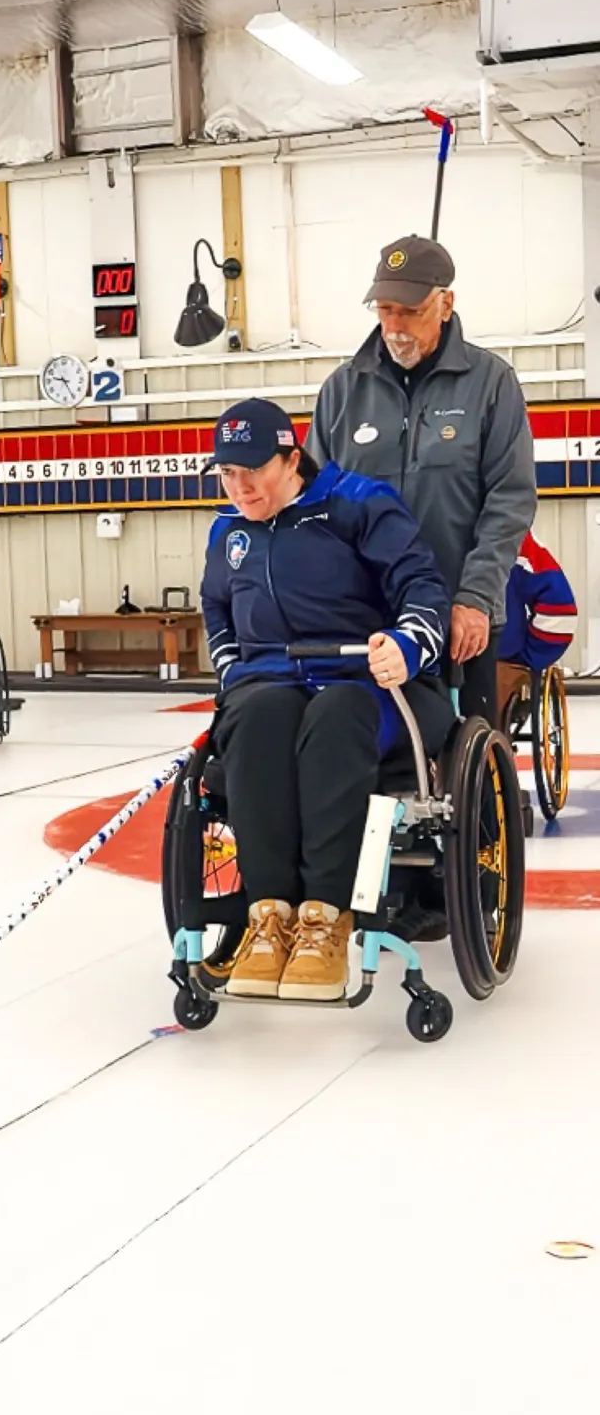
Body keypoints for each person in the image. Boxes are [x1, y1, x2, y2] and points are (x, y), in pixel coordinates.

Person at [200, 398, 453, 1003]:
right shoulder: (227, 531)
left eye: (253, 471)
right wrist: (234, 668)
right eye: (227, 475)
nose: (241, 488)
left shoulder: (357, 504)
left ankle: (324, 919)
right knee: (258, 720)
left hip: (363, 681)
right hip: (270, 680)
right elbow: (217, 609)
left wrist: (407, 643)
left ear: (292, 458)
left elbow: (421, 585)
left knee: (334, 719)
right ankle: (267, 916)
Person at [305, 234, 537, 726]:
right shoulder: (342, 392)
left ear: (445, 303)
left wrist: (474, 599)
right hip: (367, 618)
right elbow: (313, 506)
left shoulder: (491, 383)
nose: (394, 327)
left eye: (408, 311)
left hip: (461, 617)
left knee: (468, 756)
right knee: (364, 750)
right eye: (384, 310)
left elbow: (510, 500)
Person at [497, 529, 578, 716]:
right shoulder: (511, 532)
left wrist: (521, 659)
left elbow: (560, 614)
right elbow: (560, 612)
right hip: (495, 660)